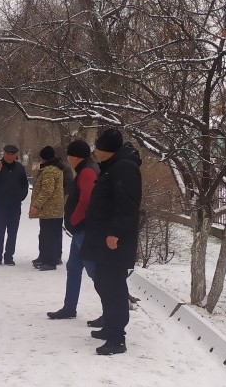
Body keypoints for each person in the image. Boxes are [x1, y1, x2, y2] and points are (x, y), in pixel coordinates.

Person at [82, 128, 143, 355]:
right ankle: (110, 326)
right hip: (103, 239)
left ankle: (118, 337)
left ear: (107, 149)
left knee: (114, 287)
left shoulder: (125, 169)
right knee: (104, 284)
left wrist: (115, 233)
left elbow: (126, 205)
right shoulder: (114, 166)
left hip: (114, 241)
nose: (96, 152)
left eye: (98, 147)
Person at [46, 140, 99, 319]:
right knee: (73, 267)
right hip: (80, 231)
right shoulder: (86, 169)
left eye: (69, 155)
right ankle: (69, 308)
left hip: (85, 231)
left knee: (95, 273)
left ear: (75, 156)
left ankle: (112, 310)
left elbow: (86, 200)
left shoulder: (87, 172)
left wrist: (73, 220)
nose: (68, 159)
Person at [0, 144, 29, 266]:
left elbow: (24, 184)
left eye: (12, 154)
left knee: (12, 232)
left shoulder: (20, 168)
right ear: (3, 154)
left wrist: (21, 196)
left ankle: (9, 257)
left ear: (15, 155)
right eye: (7, 154)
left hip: (15, 206)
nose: (9, 157)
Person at [28, 146, 65, 271]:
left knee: (48, 236)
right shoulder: (56, 168)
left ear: (43, 158)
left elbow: (47, 191)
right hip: (53, 210)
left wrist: (35, 205)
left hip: (50, 210)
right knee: (46, 235)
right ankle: (44, 257)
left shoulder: (49, 170)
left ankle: (50, 261)